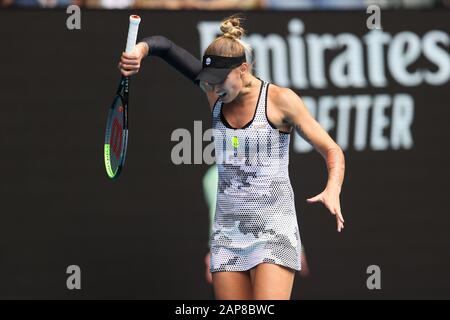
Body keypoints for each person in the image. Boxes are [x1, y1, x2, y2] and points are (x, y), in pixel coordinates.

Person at [118, 14, 345, 300]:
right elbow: (165, 47)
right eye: (208, 82)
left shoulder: (280, 101)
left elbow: (332, 149)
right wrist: (139, 51)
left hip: (274, 232)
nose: (213, 89)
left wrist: (333, 187)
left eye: (219, 81)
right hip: (227, 235)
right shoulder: (213, 91)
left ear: (242, 69)